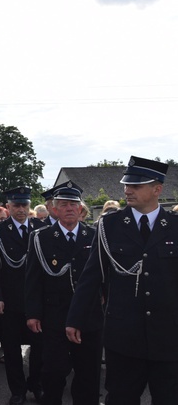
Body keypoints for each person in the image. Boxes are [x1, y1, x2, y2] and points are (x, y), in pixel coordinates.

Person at [67, 156, 178, 405]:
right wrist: (75, 319)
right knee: (121, 398)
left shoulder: (174, 226)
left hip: (168, 336)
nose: (127, 190)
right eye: (127, 184)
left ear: (157, 189)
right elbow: (91, 277)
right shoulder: (110, 225)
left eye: (136, 185)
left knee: (168, 397)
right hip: (124, 337)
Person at [25, 183, 101, 405]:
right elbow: (33, 279)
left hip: (89, 316)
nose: (69, 208)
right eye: (64, 204)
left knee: (88, 374)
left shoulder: (94, 235)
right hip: (54, 316)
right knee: (53, 372)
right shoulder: (41, 237)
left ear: (80, 209)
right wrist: (33, 313)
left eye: (74, 204)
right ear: (54, 209)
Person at [0, 187, 45, 405]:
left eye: (25, 205)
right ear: (8, 206)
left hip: (38, 301)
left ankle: (36, 384)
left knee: (40, 349)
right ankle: (17, 390)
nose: (21, 209)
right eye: (17, 205)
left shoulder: (41, 228)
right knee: (11, 349)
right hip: (10, 301)